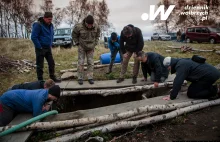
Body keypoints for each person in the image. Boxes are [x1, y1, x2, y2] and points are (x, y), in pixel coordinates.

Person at [31, 12, 60, 82]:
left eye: (51, 19)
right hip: (40, 48)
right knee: (40, 65)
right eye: (48, 19)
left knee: (51, 63)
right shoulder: (38, 25)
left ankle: (52, 77)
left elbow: (51, 34)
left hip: (48, 48)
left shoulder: (51, 25)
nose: (50, 21)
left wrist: (50, 43)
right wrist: (39, 47)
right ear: (44, 18)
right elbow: (33, 37)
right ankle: (40, 80)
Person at [72, 15, 100, 85]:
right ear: (86, 23)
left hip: (91, 47)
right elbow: (74, 35)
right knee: (81, 62)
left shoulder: (96, 26)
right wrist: (77, 43)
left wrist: (95, 43)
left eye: (91, 24)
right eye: (88, 24)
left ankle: (90, 77)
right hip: (82, 47)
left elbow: (98, 35)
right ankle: (80, 77)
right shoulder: (79, 27)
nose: (90, 26)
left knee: (90, 62)